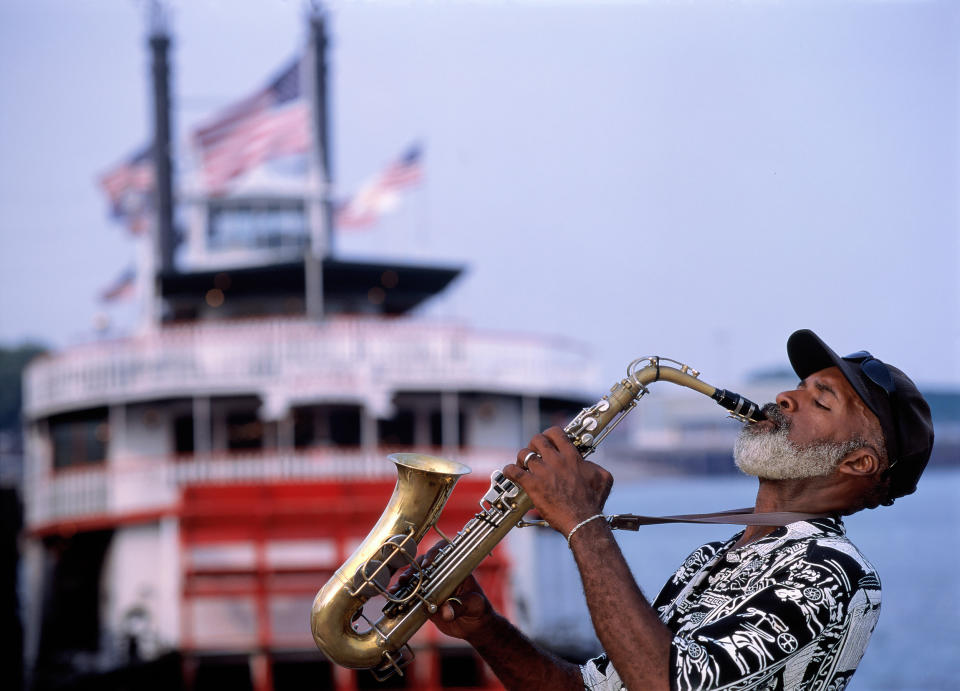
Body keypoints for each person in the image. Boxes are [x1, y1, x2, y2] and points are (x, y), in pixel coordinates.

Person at [425, 329, 934, 690]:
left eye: (820, 401)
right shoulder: (710, 558)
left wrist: (583, 523)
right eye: (798, 387)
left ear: (859, 461)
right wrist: (485, 628)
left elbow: (664, 685)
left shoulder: (833, 571)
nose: (784, 397)